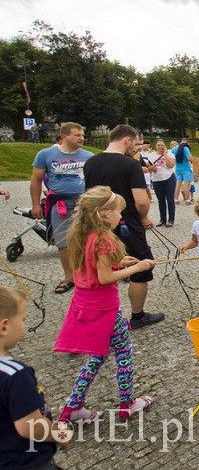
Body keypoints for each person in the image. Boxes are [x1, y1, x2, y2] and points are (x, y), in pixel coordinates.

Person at [54, 186, 157, 422]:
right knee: (123, 353)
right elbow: (103, 278)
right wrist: (135, 268)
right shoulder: (104, 240)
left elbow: (95, 267)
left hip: (87, 304)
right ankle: (127, 402)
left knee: (98, 355)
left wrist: (119, 262)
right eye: (118, 212)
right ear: (104, 213)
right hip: (104, 308)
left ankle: (74, 406)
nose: (121, 216)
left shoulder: (85, 234)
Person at [84, 124, 164, 329]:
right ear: (126, 140)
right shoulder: (130, 165)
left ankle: (98, 316)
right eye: (135, 143)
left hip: (97, 224)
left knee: (99, 269)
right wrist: (143, 217)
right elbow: (142, 201)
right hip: (126, 222)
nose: (136, 148)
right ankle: (138, 315)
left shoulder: (91, 162)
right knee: (140, 269)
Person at [1, 286, 70, 468]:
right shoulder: (15, 375)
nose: (24, 324)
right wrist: (59, 433)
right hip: (26, 462)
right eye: (23, 319)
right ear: (4, 326)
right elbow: (31, 426)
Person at [30, 122, 94, 294]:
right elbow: (36, 180)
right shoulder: (46, 154)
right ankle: (69, 277)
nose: (82, 138)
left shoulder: (88, 156)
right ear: (65, 135)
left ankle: (90, 274)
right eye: (77, 135)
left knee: (88, 239)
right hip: (60, 204)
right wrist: (36, 204)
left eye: (82, 135)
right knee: (63, 242)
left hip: (83, 202)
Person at [148, 139, 177, 227]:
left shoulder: (170, 154)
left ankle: (171, 219)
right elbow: (148, 167)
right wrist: (153, 168)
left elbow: (170, 165)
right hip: (157, 179)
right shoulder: (151, 155)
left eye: (162, 145)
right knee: (161, 200)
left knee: (170, 200)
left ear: (165, 146)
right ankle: (162, 219)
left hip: (169, 178)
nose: (160, 147)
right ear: (156, 146)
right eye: (158, 145)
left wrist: (165, 155)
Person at [172, 137, 193, 205]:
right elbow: (189, 158)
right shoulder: (186, 148)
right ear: (187, 142)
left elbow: (172, 157)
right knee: (186, 185)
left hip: (178, 169)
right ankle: (187, 200)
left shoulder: (175, 148)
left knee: (178, 185)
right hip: (186, 169)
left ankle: (176, 199)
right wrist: (191, 159)